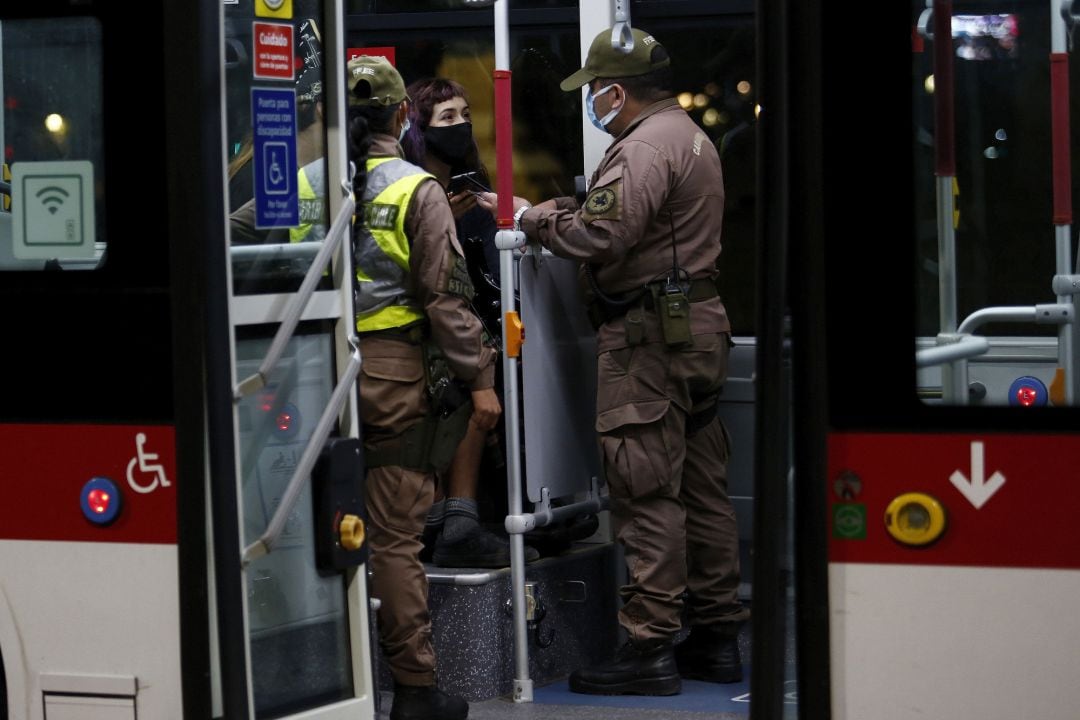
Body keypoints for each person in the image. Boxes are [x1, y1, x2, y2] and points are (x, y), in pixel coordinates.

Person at [476, 27, 749, 696]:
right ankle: (715, 636)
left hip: (650, 339)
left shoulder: (645, 146)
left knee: (647, 490)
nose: (592, 101)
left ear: (616, 91)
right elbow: (637, 219)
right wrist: (552, 209)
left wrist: (534, 221)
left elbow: (604, 231)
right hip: (697, 327)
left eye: (594, 90)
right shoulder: (687, 135)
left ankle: (649, 648)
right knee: (701, 489)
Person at [347, 55, 499, 720]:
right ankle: (414, 689)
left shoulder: (293, 185)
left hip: (307, 374)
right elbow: (447, 302)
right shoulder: (415, 190)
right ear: (401, 116)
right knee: (394, 539)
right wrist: (481, 381)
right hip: (389, 375)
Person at [400, 76, 538, 569]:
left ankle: (457, 516)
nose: (459, 126)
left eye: (464, 115)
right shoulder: (411, 188)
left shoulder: (473, 187)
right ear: (418, 128)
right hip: (424, 331)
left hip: (473, 322)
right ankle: (451, 518)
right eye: (446, 118)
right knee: (463, 390)